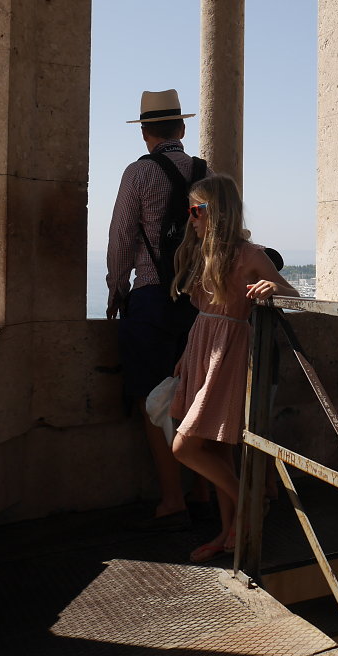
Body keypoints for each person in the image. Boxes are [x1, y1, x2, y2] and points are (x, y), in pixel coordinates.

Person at [169, 174, 299, 562]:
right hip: (202, 348)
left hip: (228, 352)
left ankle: (251, 503)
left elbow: (293, 295)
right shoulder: (204, 253)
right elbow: (204, 314)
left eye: (196, 210)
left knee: (185, 445)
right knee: (215, 447)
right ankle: (229, 533)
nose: (191, 218)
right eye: (190, 211)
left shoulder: (250, 255)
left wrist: (273, 289)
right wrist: (186, 356)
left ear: (216, 211)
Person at [106, 88, 207, 523]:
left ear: (145, 132)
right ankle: (207, 485)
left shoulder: (138, 173)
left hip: (150, 298)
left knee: (153, 398)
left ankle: (172, 497)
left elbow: (121, 238)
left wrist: (116, 286)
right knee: (203, 395)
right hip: (200, 300)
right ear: (182, 129)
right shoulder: (207, 174)